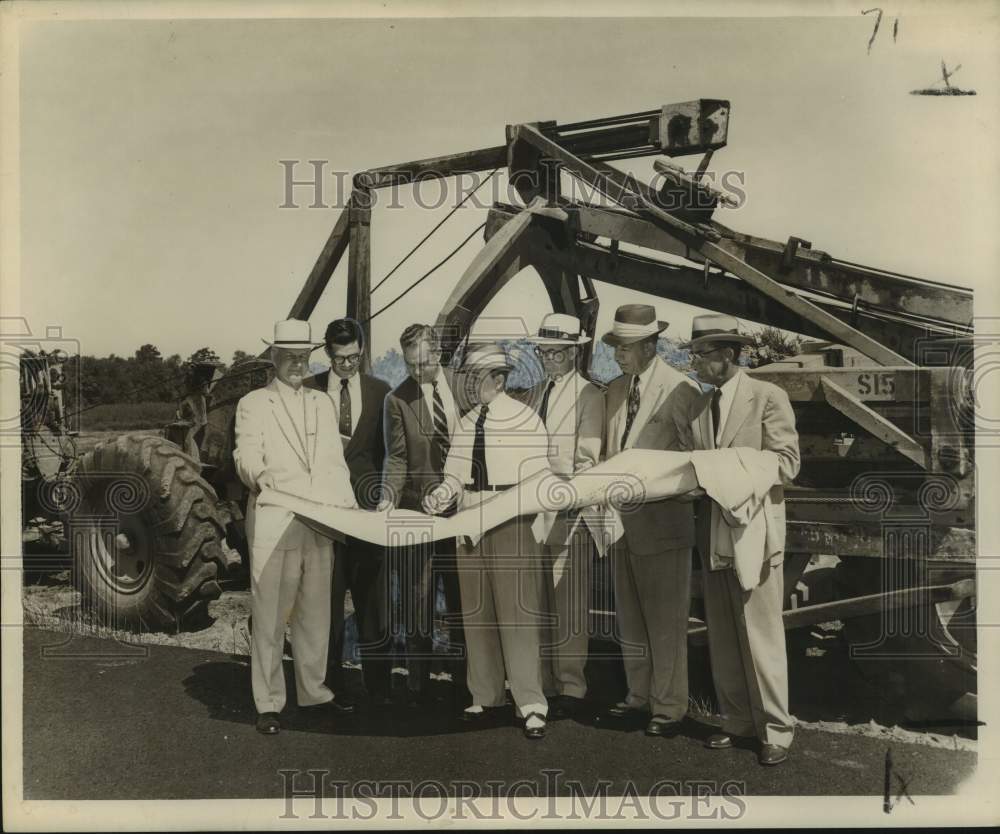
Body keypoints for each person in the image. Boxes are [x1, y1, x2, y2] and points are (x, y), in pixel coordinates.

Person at [678, 313, 800, 766]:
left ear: (728, 355)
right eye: (694, 355)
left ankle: (777, 730)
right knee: (724, 630)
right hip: (713, 527)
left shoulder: (768, 396)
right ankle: (737, 721)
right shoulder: (699, 406)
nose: (695, 363)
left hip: (753, 530)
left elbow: (787, 463)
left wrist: (730, 469)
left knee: (761, 631)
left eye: (702, 355)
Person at [233, 318, 358, 735]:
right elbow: (245, 452)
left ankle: (314, 692)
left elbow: (333, 465)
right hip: (276, 518)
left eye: (302, 356)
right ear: (273, 357)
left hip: (319, 522)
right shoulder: (253, 403)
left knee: (315, 614)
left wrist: (350, 511)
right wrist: (259, 476)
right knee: (270, 616)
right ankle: (268, 703)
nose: (296, 363)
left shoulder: (322, 403)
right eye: (288, 356)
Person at [424, 343, 552, 739]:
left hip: (511, 518)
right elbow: (455, 474)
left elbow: (540, 478)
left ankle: (530, 703)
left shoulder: (526, 419)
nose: (470, 384)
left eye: (477, 377)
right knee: (476, 614)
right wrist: (441, 495)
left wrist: (530, 522)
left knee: (518, 616)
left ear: (498, 379)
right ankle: (485, 695)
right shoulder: (467, 422)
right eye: (469, 377)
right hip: (469, 521)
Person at [597, 304, 701, 738]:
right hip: (621, 524)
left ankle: (669, 706)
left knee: (665, 621)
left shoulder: (682, 390)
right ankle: (638, 695)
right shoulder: (615, 390)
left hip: (664, 524)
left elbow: (697, 457)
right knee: (632, 618)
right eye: (617, 346)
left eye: (626, 347)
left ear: (649, 345)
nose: (618, 354)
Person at [518, 313, 605, 720]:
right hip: (530, 512)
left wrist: (566, 495)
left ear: (574, 352)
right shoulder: (532, 393)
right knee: (535, 601)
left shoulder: (590, 396)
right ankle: (541, 683)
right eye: (544, 351)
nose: (550, 358)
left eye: (557, 352)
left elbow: (588, 459)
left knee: (569, 601)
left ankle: (571, 684)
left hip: (569, 511)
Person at [305, 318, 393, 709]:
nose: (348, 366)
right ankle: (331, 688)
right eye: (341, 359)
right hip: (322, 518)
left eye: (355, 358)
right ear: (328, 353)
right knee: (326, 604)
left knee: (373, 604)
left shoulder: (381, 392)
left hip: (367, 517)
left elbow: (391, 455)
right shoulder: (308, 393)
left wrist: (385, 498)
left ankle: (379, 688)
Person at [380, 324, 467, 707]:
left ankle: (470, 685)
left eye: (424, 362)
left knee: (466, 599)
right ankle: (418, 687)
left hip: (466, 511)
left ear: (439, 353)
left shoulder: (467, 385)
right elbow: (398, 456)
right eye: (409, 364)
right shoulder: (397, 400)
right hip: (420, 512)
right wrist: (388, 495)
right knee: (419, 601)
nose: (417, 371)